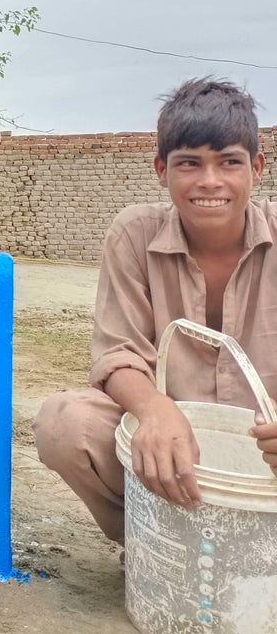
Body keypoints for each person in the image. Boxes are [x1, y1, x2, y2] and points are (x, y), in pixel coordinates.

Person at [34, 78, 277, 546]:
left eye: (229, 162)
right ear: (162, 170)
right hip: (173, 445)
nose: (210, 182)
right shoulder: (135, 234)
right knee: (65, 422)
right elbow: (118, 353)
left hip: (263, 452)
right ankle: (160, 547)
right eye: (190, 164)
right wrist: (154, 410)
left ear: (257, 168)